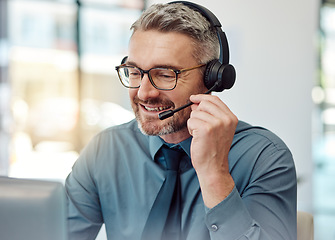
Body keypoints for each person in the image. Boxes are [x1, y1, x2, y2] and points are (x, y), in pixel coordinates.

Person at [65, 2, 297, 240]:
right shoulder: (106, 150)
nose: (144, 93)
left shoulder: (264, 156)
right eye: (134, 72)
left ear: (212, 79)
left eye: (165, 75)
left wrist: (214, 176)